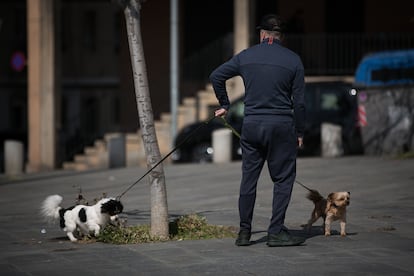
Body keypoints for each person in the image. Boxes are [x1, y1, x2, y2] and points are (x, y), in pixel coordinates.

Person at [209, 14, 306, 247]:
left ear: (262, 34)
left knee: (248, 179)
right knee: (283, 179)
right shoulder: (293, 60)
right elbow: (300, 103)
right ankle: (275, 232)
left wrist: (224, 104)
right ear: (280, 36)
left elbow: (216, 75)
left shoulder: (246, 56)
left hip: (252, 125)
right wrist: (300, 132)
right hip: (281, 126)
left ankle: (244, 233)